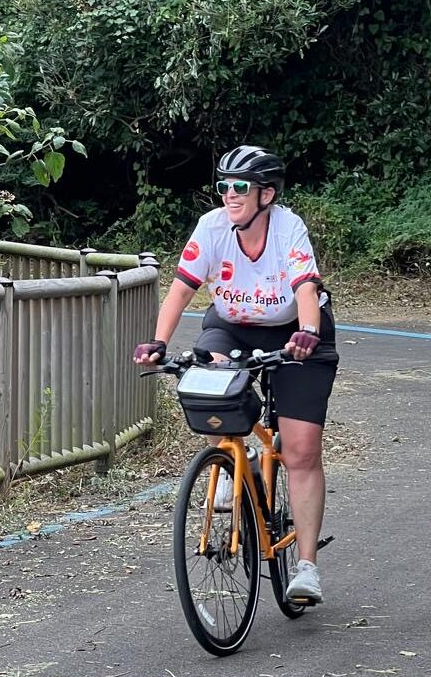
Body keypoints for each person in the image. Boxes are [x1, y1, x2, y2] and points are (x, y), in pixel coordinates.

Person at [134, 144, 337, 605]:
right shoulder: (212, 227)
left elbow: (306, 286)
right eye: (223, 185)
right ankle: (226, 464)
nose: (229, 194)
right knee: (208, 382)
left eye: (239, 187)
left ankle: (306, 567)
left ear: (266, 194)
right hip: (231, 325)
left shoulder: (288, 228)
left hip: (295, 330)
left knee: (302, 448)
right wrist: (159, 342)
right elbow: (181, 289)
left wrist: (307, 331)